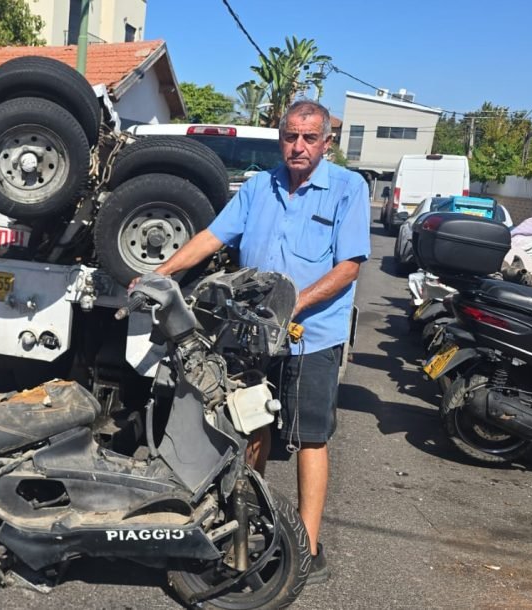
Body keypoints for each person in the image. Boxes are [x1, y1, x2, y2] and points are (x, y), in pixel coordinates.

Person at [141, 99, 370, 584]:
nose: (299, 146)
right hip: (250, 338)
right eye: (291, 136)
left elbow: (348, 267)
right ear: (280, 137)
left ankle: (306, 546)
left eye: (310, 138)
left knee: (309, 437)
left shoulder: (349, 189)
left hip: (312, 336)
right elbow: (212, 236)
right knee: (248, 427)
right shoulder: (258, 188)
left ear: (327, 142)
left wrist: (294, 305)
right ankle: (244, 521)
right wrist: (159, 273)